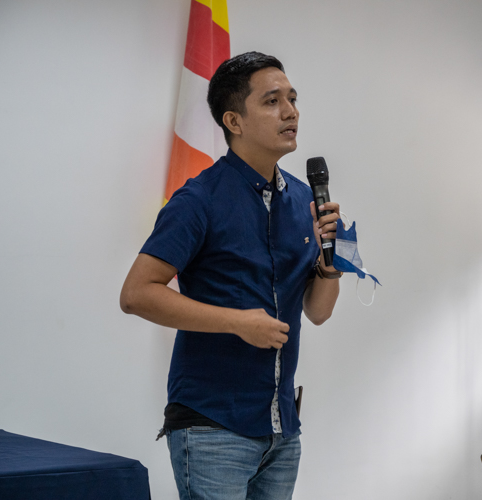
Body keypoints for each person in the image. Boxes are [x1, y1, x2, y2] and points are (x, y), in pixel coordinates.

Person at [120, 52, 342, 500]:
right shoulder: (198, 199)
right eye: (272, 101)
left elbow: (318, 312)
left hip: (282, 430)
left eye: (293, 99)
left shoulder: (304, 200)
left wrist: (329, 261)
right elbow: (136, 294)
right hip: (212, 426)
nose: (291, 111)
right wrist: (238, 322)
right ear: (234, 121)